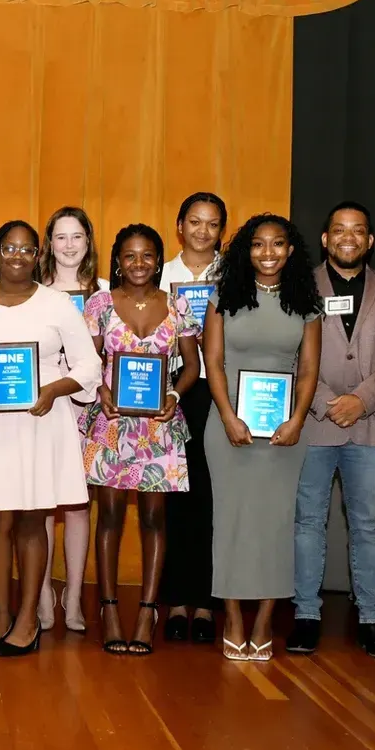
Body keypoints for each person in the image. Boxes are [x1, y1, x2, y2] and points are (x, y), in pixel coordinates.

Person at [0, 220, 101, 657]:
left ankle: (29, 616)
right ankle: (1, 616)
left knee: (32, 521)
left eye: (27, 250)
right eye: (9, 248)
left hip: (40, 422)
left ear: (39, 256)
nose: (17, 256)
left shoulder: (57, 305)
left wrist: (54, 389)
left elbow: (88, 367)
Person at [288, 203, 375, 660]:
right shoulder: (299, 285)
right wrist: (326, 402)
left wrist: (362, 400)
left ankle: (373, 619)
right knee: (307, 523)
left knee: (370, 526)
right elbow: (290, 352)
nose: (348, 238)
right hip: (314, 423)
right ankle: (305, 614)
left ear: (371, 240)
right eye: (339, 230)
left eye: (358, 231)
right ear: (325, 239)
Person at [202, 214, 322, 662]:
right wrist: (229, 416)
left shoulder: (305, 302)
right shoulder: (224, 296)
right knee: (230, 523)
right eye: (257, 245)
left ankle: (266, 619)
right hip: (229, 428)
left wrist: (296, 419)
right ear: (245, 251)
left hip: (284, 435)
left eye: (277, 244)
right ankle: (232, 617)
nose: (267, 253)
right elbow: (213, 361)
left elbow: (309, 368)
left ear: (291, 251)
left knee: (275, 525)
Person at [84, 225, 200, 655]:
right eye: (130, 256)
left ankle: (147, 610)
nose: (138, 264)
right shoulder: (99, 304)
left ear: (158, 259)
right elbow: (86, 359)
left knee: (154, 518)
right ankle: (110, 608)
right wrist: (101, 390)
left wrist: (173, 394)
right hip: (113, 424)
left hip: (159, 428)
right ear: (117, 260)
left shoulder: (178, 305)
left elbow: (191, 365)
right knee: (110, 516)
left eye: (147, 256)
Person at [35, 205, 109, 631]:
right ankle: (43, 592)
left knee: (79, 506)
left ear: (88, 241)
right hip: (48, 407)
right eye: (60, 237)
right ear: (49, 244)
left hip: (93, 411)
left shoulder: (106, 292)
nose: (68, 245)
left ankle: (75, 595)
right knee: (44, 503)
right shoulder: (35, 291)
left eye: (76, 236)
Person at [159, 192, 225, 643]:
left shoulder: (235, 274)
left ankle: (206, 602)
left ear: (223, 229)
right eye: (195, 222)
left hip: (220, 393)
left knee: (213, 495)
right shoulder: (160, 275)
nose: (203, 231)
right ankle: (175, 600)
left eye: (213, 224)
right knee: (173, 496)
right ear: (180, 225)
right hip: (170, 391)